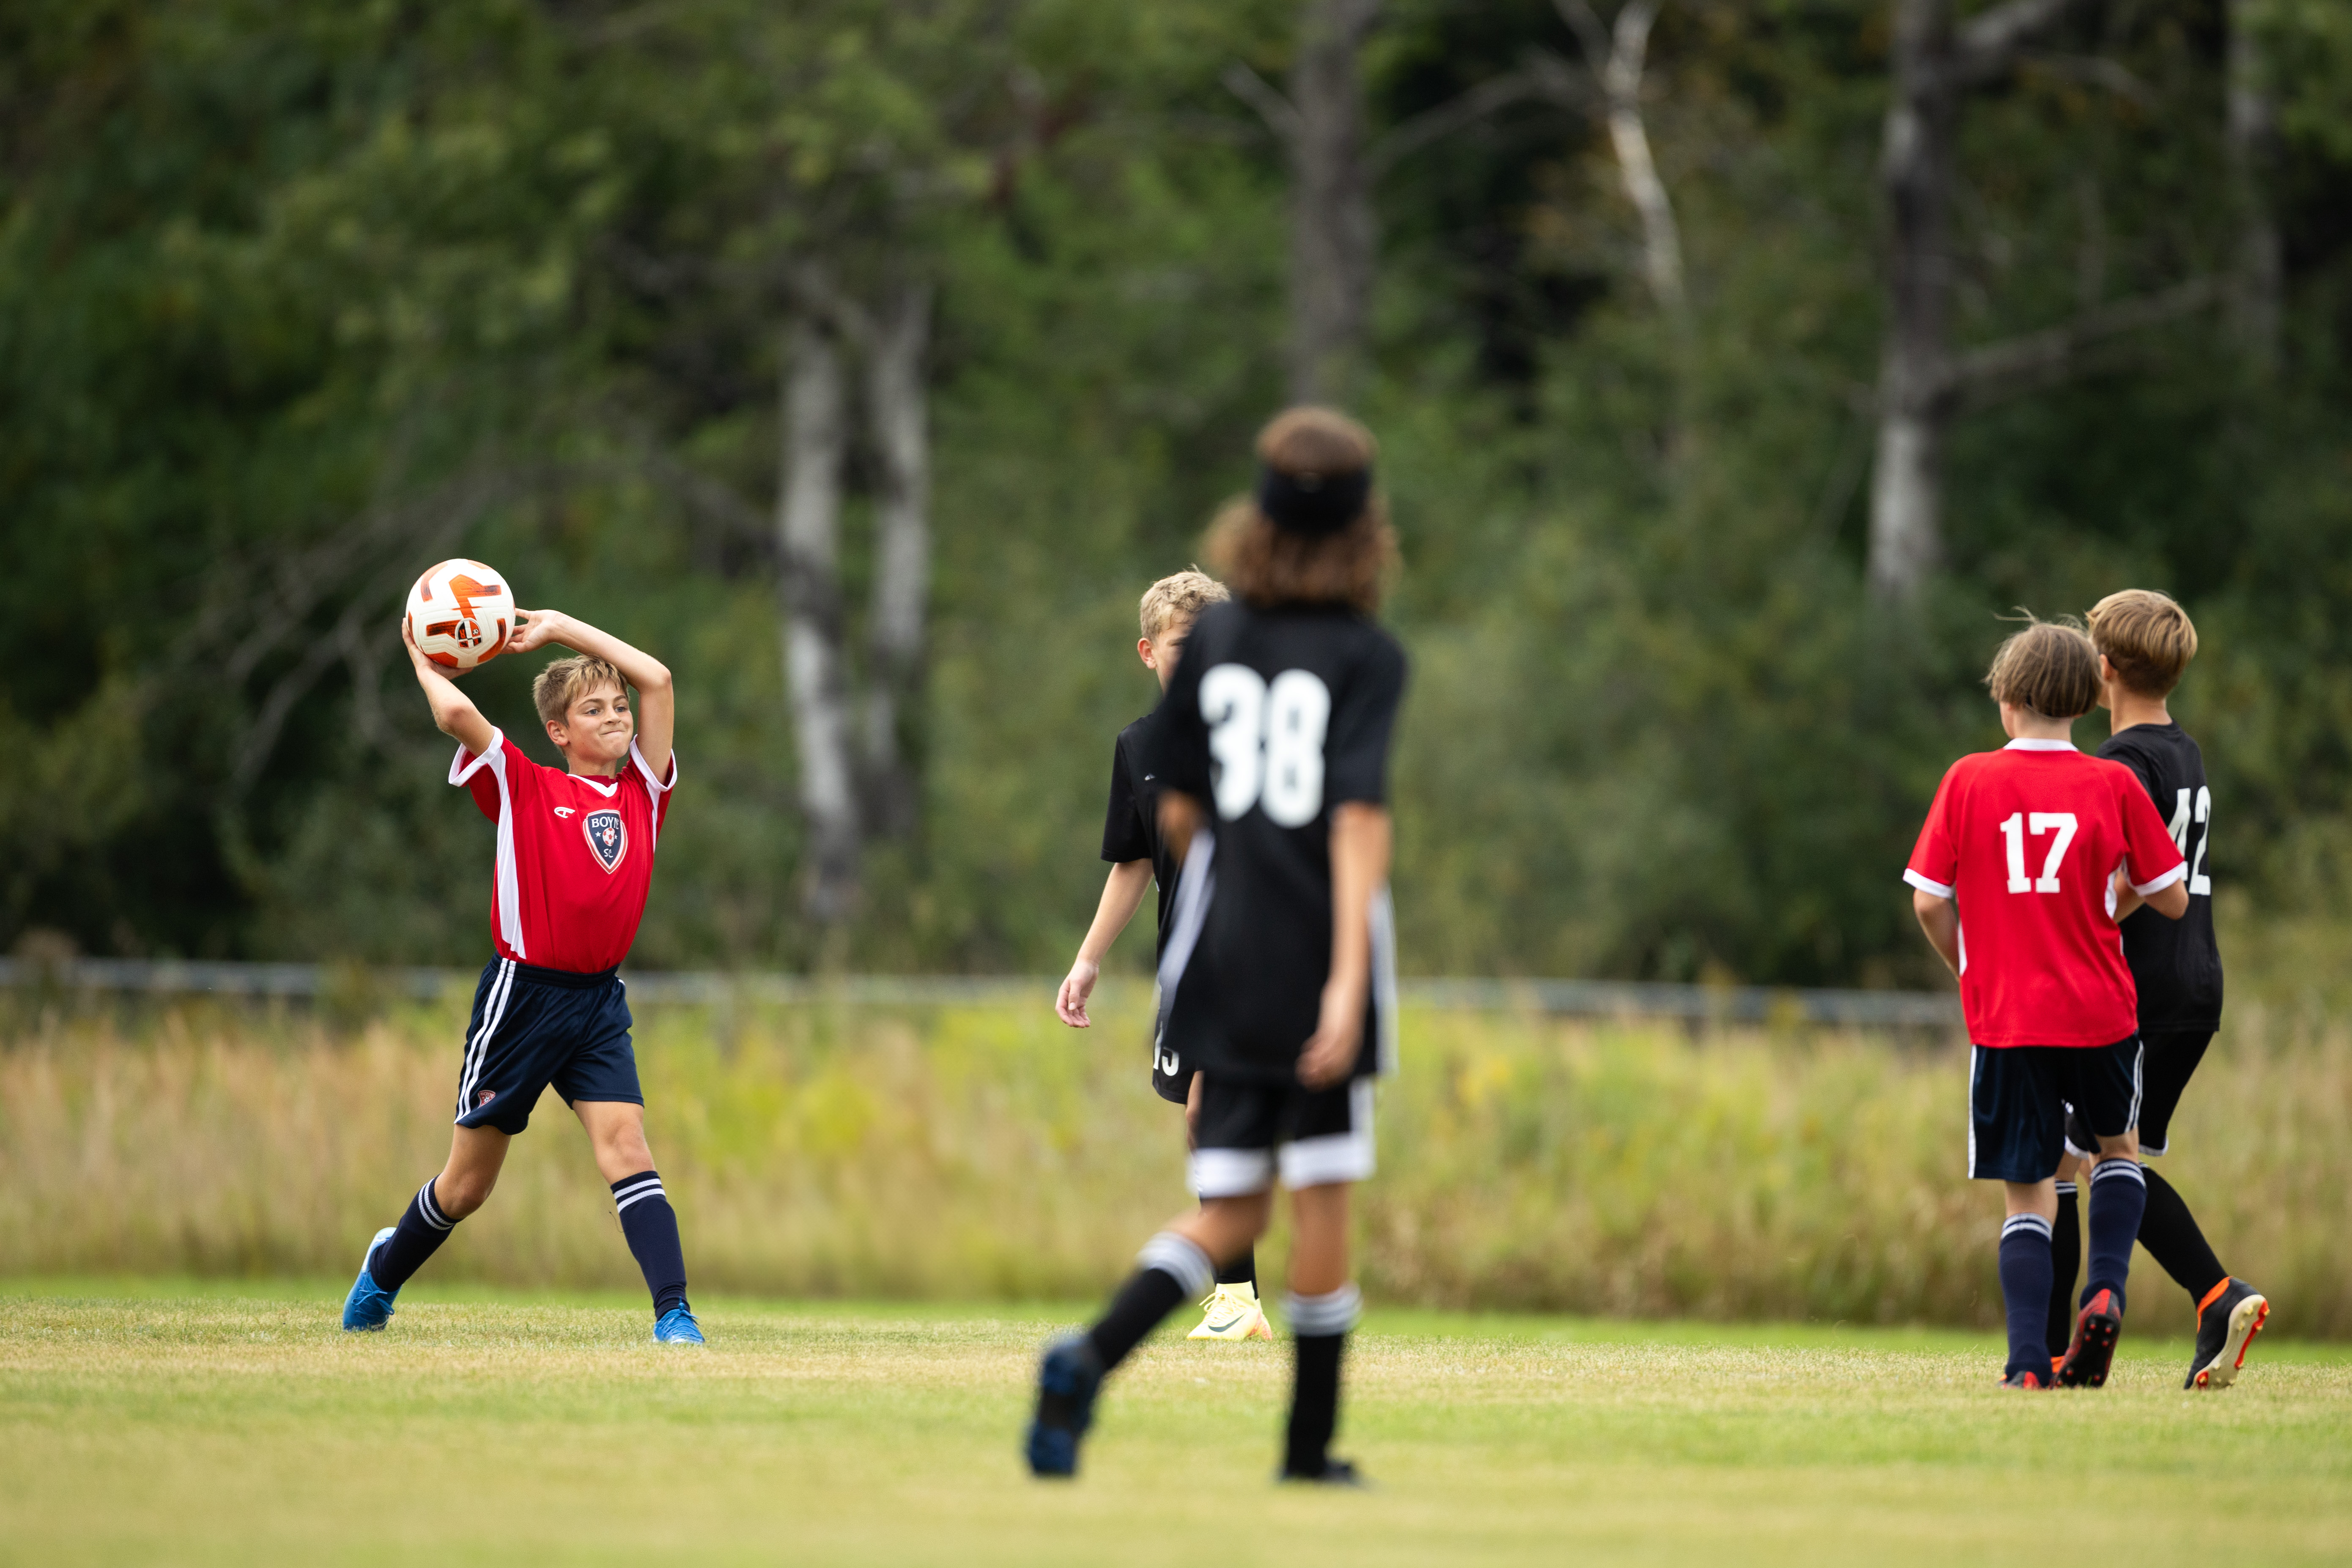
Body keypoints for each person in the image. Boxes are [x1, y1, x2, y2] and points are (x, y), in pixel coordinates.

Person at [1026, 406, 1406, 1482]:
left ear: (1260, 518)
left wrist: (1235, 896)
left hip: (1222, 954)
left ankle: (1090, 1356)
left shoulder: (1218, 649)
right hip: (1318, 949)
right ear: (1363, 530)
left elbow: (1181, 814)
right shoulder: (1368, 655)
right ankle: (1307, 1451)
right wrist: (1346, 984)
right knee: (1321, 1193)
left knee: (1230, 1201)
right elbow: (1358, 824)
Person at [342, 606, 701, 1344]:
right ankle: (382, 1274)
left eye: (619, 706)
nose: (617, 716)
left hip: (598, 1003)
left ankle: (674, 1315)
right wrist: (423, 661)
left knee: (627, 1148)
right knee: (468, 1187)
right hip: (523, 999)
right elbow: (456, 716)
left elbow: (659, 679)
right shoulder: (524, 784)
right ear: (558, 732)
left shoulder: (645, 791)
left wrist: (561, 627)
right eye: (593, 710)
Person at [1903, 617, 2188, 1390]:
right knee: (2115, 1152)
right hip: (2100, 1011)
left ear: (2006, 700)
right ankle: (2106, 1288)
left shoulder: (1968, 779)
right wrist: (2109, 898)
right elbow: (2168, 896)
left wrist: (1968, 966)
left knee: (2027, 1195)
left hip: (2007, 1020)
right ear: (2087, 701)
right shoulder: (2112, 783)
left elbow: (1929, 901)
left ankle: (2028, 1362)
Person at [2042, 590, 2267, 1389]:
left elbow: (2127, 879)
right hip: (2195, 983)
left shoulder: (2117, 764)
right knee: (2107, 1155)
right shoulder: (2185, 752)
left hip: (2138, 989)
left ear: (2102, 668)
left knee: (2072, 1160)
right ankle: (2210, 1298)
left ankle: (2055, 1347)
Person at [1055, 570, 1273, 1342]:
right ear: (1148, 652)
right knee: (1202, 1124)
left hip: (1257, 954)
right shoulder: (1139, 747)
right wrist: (1087, 960)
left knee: (1215, 1113)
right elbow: (1135, 863)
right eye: (1184, 645)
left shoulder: (1261, 734)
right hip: (1189, 965)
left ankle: (1240, 1301)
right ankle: (1238, 1294)